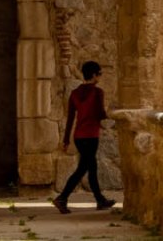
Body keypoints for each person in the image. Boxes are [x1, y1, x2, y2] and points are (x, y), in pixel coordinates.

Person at [53, 60, 114, 212]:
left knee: (91, 167)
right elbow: (100, 114)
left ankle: (100, 200)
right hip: (91, 136)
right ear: (94, 75)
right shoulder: (97, 92)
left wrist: (66, 139)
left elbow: (70, 119)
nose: (100, 76)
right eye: (99, 73)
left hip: (79, 136)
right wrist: (111, 113)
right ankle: (62, 198)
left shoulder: (74, 94)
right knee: (83, 169)